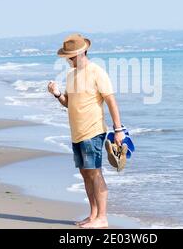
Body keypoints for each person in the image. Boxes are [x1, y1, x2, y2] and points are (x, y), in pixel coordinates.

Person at [47, 33, 124, 229]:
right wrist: (57, 94)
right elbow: (69, 104)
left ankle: (103, 218)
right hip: (77, 132)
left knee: (95, 173)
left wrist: (118, 129)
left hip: (94, 131)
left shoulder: (97, 72)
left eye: (70, 57)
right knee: (85, 173)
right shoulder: (70, 75)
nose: (68, 60)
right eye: (66, 57)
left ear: (81, 53)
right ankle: (93, 215)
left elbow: (111, 101)